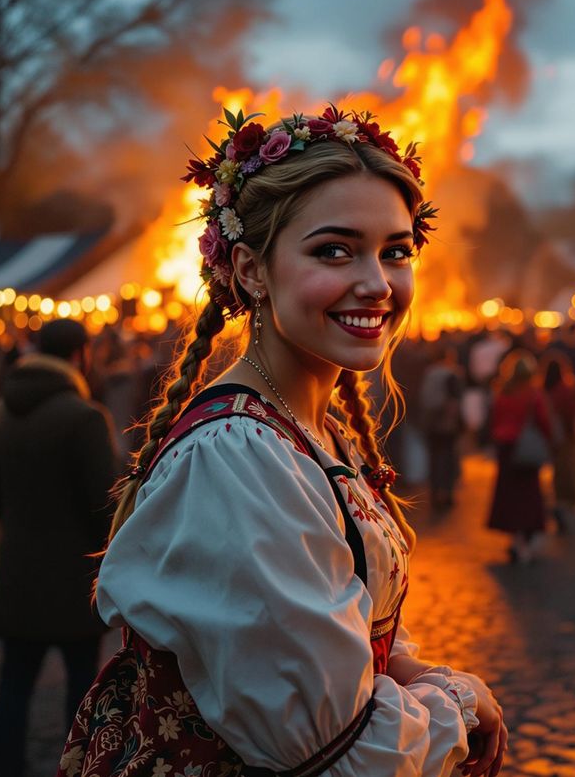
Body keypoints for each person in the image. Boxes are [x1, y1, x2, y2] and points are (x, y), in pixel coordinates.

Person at [59, 106, 506, 777]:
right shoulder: (239, 455)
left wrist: (412, 668)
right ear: (251, 269)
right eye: (334, 249)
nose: (378, 283)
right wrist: (457, 699)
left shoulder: (305, 427)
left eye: (396, 250)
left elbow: (343, 621)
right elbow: (339, 754)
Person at [0, 318, 118, 777]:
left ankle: (6, 767)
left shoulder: (1, 410)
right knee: (83, 690)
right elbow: (105, 505)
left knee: (14, 684)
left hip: (18, 572)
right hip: (71, 578)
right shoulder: (84, 416)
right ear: (80, 354)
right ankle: (79, 769)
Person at [487, 349, 553, 563]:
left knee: (509, 494)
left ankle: (515, 540)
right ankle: (524, 543)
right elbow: (543, 421)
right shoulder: (533, 393)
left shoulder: (502, 392)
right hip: (524, 448)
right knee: (528, 494)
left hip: (505, 446)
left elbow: (495, 418)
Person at [417, 345, 465, 509]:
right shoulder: (452, 374)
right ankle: (447, 493)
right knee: (448, 459)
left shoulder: (428, 373)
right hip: (446, 424)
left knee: (434, 458)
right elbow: (455, 401)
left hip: (430, 423)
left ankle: (434, 492)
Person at [541, 350, 575, 533]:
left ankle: (552, 504)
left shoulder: (542, 390)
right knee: (563, 472)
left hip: (548, 437)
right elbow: (571, 414)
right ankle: (560, 505)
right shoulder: (565, 390)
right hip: (563, 437)